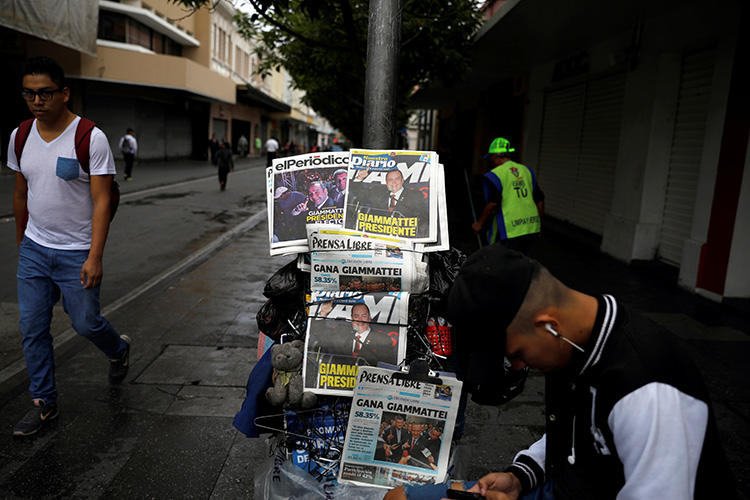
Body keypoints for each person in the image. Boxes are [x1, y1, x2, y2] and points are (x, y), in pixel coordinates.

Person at [385, 244, 735, 500]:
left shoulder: (649, 392)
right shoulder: (573, 341)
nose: (520, 367)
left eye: (518, 354)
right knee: (399, 498)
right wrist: (521, 476)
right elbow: (577, 434)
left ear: (547, 325)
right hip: (563, 485)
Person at [7, 56, 130, 437]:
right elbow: (21, 192)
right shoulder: (20, 135)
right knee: (32, 327)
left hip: (77, 251)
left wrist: (95, 256)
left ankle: (118, 350)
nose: (36, 100)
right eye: (29, 93)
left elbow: (102, 201)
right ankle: (44, 403)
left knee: (85, 323)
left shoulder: (89, 137)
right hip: (35, 248)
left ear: (63, 93)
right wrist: (22, 242)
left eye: (44, 93)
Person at [472, 137, 544, 254]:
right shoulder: (526, 170)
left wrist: (479, 224)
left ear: (496, 155)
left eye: (491, 157)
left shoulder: (496, 174)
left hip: (511, 230)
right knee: (523, 263)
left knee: (506, 264)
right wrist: (539, 224)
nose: (491, 161)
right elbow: (540, 200)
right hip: (531, 227)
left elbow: (493, 203)